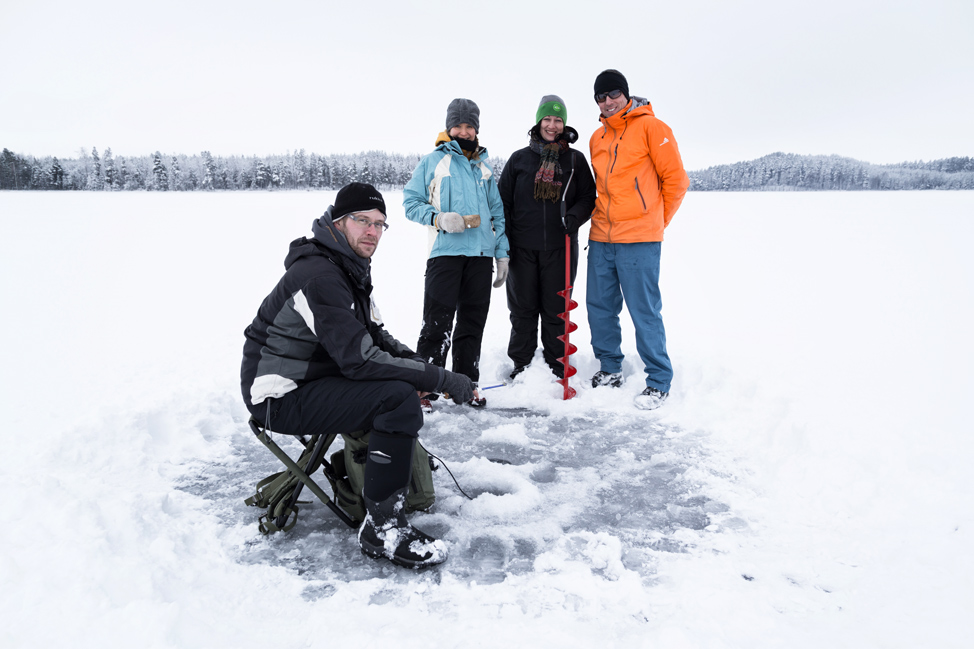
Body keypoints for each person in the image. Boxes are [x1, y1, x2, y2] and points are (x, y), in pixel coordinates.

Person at [239, 182, 474, 569]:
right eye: (362, 221)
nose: (372, 231)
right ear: (338, 221)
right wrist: (436, 380)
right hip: (278, 396)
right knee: (395, 397)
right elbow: (359, 360)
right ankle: (382, 529)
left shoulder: (345, 267)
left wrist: (424, 370)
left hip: (313, 379)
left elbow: (375, 336)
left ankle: (382, 506)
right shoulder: (321, 276)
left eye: (380, 224)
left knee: (398, 387)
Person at [587, 69, 689, 410]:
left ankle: (659, 380)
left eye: (613, 94)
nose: (608, 102)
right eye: (601, 98)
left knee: (644, 311)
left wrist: (654, 222)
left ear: (626, 94)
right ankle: (609, 367)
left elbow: (676, 181)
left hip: (640, 240)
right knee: (600, 307)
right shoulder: (596, 139)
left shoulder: (652, 128)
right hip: (602, 236)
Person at [403, 98, 509, 409]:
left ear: (476, 129)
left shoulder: (484, 169)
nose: (463, 131)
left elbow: (497, 215)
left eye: (469, 126)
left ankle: (466, 384)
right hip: (445, 255)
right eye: (458, 125)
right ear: (449, 128)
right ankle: (425, 388)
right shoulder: (433, 162)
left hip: (479, 256)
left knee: (472, 323)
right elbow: (411, 202)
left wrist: (501, 254)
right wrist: (438, 218)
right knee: (437, 323)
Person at [498, 95, 596, 379]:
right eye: (547, 119)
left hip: (561, 247)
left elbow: (588, 197)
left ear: (564, 124)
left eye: (558, 120)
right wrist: (504, 241)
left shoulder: (575, 160)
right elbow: (503, 202)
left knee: (557, 309)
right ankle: (522, 362)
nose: (552, 125)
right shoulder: (519, 159)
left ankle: (557, 362)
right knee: (522, 309)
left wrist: (575, 217)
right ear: (538, 121)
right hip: (522, 248)